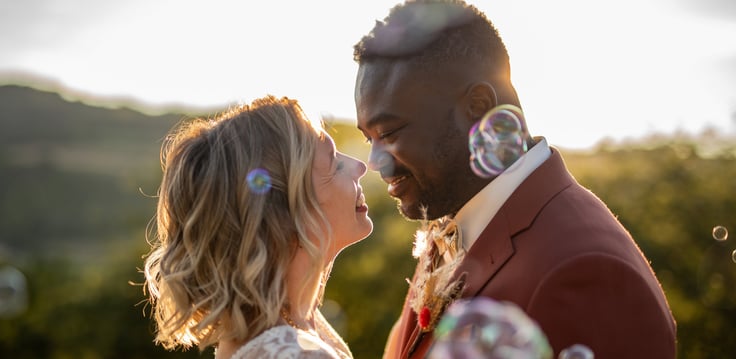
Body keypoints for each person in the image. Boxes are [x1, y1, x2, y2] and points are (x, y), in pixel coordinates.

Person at [352, 1, 677, 358]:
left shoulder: (585, 274)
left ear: (477, 107)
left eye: (391, 132)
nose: (376, 163)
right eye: (370, 139)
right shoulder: (459, 217)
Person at [142, 95, 372, 358]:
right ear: (287, 212)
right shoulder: (293, 352)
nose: (361, 167)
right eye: (335, 163)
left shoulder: (293, 324)